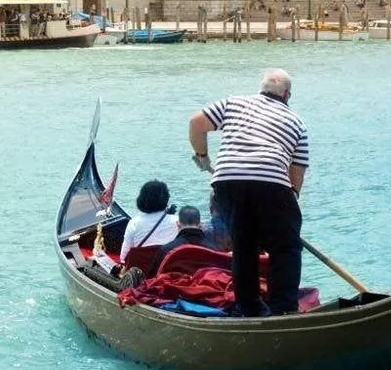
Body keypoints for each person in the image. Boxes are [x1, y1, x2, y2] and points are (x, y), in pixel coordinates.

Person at [189, 69, 309, 317]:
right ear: (287, 95)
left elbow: (196, 123)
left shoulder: (233, 103)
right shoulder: (296, 122)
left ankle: (250, 309)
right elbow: (296, 171)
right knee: (286, 246)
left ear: (261, 88)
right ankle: (283, 309)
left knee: (244, 246)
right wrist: (290, 201)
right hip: (272, 183)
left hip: (226, 181)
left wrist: (203, 156)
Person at [119, 179, 179, 269]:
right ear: (166, 199)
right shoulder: (178, 221)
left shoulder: (134, 223)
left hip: (143, 273)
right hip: (169, 270)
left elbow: (124, 258)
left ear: (141, 199)